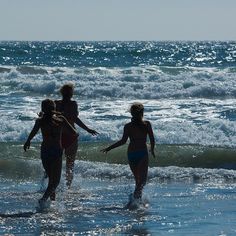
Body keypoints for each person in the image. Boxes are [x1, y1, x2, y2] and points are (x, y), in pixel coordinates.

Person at [23, 99, 77, 205]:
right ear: (54, 108)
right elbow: (74, 133)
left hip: (45, 151)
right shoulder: (61, 119)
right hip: (56, 151)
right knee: (55, 182)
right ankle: (43, 200)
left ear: (42, 109)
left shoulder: (40, 121)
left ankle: (52, 203)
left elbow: (33, 132)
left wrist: (28, 141)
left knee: (51, 180)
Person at [101, 102, 155, 200]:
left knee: (137, 181)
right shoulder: (147, 124)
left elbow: (123, 141)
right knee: (142, 182)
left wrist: (110, 148)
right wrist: (152, 149)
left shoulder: (128, 126)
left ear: (131, 113)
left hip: (131, 154)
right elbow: (152, 138)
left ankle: (137, 201)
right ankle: (134, 201)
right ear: (142, 112)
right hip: (142, 153)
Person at [55, 83, 98, 188]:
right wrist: (87, 129)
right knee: (69, 164)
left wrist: (87, 129)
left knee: (56, 163)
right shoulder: (71, 104)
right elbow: (75, 119)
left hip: (58, 136)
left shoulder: (57, 103)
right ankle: (67, 187)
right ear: (71, 93)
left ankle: (55, 185)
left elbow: (51, 118)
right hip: (69, 135)